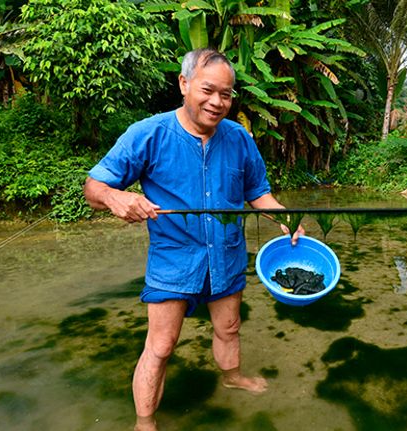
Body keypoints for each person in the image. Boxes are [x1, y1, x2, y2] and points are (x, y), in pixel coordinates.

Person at [83, 48, 304, 431]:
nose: (218, 102)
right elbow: (94, 185)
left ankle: (232, 377)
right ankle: (145, 422)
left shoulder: (239, 139)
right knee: (161, 346)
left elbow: (258, 193)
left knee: (230, 328)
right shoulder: (148, 134)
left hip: (228, 256)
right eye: (209, 90)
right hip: (174, 261)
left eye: (227, 94)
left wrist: (286, 220)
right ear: (184, 84)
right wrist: (116, 196)